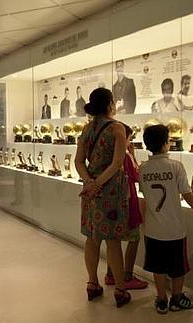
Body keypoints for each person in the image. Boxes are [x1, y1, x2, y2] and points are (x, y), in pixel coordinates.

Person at [139, 124, 193, 314]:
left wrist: (143, 222)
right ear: (165, 144)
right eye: (169, 139)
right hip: (174, 229)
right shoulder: (175, 166)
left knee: (158, 267)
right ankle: (177, 297)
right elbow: (187, 194)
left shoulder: (143, 168)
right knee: (177, 266)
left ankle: (161, 299)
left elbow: (145, 197)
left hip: (153, 230)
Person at [75, 87, 131, 308]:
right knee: (113, 240)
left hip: (90, 192)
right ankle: (120, 289)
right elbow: (117, 163)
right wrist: (98, 184)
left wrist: (89, 182)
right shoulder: (117, 128)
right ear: (109, 104)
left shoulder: (87, 129)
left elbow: (79, 161)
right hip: (110, 191)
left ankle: (92, 284)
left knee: (92, 237)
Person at [104, 125, 148, 290]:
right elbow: (137, 176)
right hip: (128, 202)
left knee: (113, 240)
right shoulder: (125, 155)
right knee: (134, 238)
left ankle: (111, 274)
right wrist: (134, 157)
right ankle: (127, 275)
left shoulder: (109, 155)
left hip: (112, 202)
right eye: (129, 138)